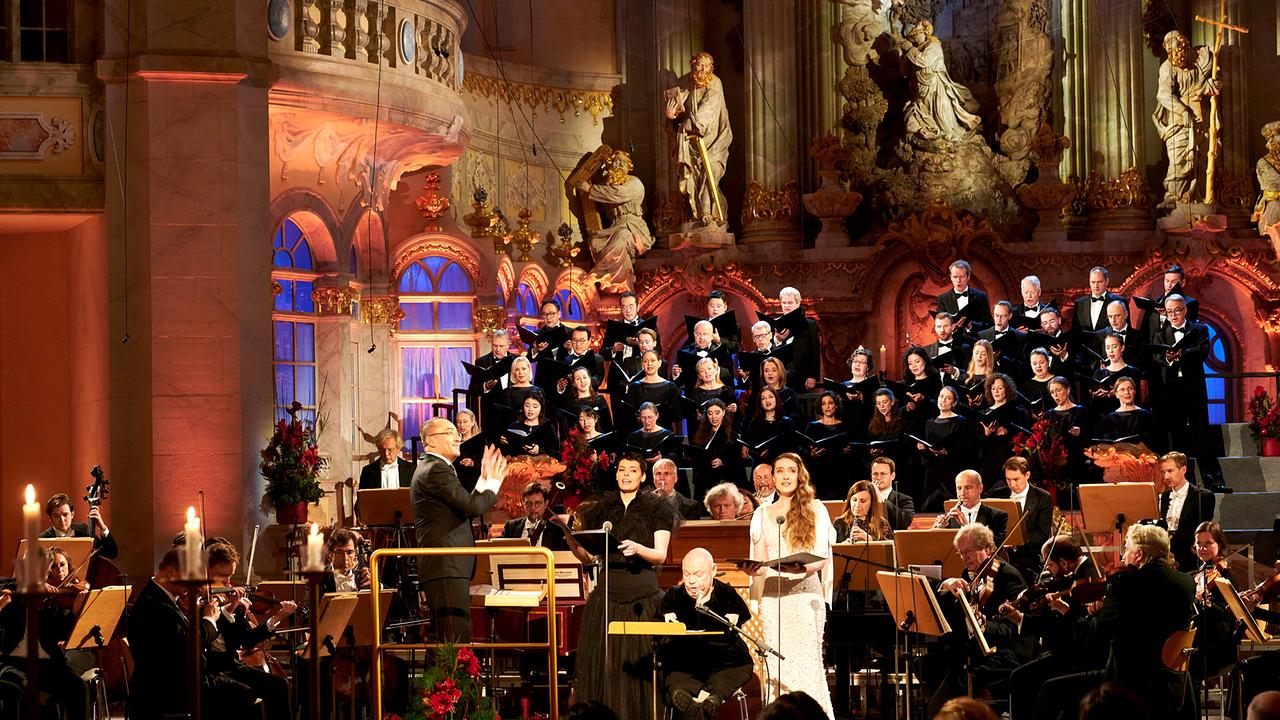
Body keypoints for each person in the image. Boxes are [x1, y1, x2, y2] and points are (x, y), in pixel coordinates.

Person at [572, 455, 675, 720]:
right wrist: (574, 544)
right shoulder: (601, 508)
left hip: (642, 595)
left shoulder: (657, 507)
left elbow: (660, 555)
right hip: (606, 596)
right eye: (621, 470)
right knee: (604, 668)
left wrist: (639, 549)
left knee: (637, 669)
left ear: (642, 476)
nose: (625, 474)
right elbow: (591, 557)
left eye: (632, 470)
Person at [740, 453, 834, 716]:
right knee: (778, 668)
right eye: (779, 471)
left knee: (807, 665)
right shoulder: (761, 514)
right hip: (774, 599)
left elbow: (822, 557)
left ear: (799, 475)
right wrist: (752, 568)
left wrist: (800, 568)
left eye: (790, 471)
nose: (784, 476)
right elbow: (760, 561)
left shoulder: (816, 509)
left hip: (805, 598)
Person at [411, 419, 506, 642]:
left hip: (447, 565)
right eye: (450, 432)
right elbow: (472, 506)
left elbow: (465, 508)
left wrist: (482, 480)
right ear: (431, 441)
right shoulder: (435, 469)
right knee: (453, 639)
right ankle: (453, 678)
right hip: (445, 565)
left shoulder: (436, 468)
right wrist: (493, 483)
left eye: (457, 432)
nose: (458, 437)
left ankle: (450, 678)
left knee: (450, 638)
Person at [925, 523, 1027, 717]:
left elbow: (1013, 628)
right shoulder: (971, 574)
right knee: (928, 664)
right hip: (975, 647)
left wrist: (984, 624)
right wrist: (946, 586)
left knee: (958, 676)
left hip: (1004, 650)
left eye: (968, 552)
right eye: (961, 554)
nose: (964, 558)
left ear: (987, 549)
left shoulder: (1008, 577)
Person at [659, 547, 754, 720]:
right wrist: (666, 618)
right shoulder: (674, 595)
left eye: (698, 574)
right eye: (687, 575)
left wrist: (735, 616)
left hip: (724, 661)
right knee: (673, 678)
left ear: (714, 571)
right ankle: (703, 706)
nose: (691, 581)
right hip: (687, 663)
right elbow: (659, 618)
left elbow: (742, 612)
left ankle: (710, 701)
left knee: (730, 675)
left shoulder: (725, 593)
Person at [202, 541, 294, 719]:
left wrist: (279, 616)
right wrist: (228, 609)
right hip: (211, 670)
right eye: (223, 577)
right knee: (246, 694)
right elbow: (206, 635)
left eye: (231, 577)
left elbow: (247, 640)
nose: (229, 584)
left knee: (280, 685)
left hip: (231, 665)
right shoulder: (197, 601)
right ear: (207, 572)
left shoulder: (231, 602)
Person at [1150, 294, 1226, 490]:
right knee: (1177, 438)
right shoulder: (1160, 333)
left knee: (1202, 437)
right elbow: (1157, 358)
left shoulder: (1199, 329)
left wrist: (1182, 353)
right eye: (1169, 312)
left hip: (1194, 390)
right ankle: (1184, 485)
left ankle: (1214, 482)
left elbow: (1202, 351)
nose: (1174, 315)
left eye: (1177, 310)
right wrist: (1168, 359)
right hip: (1172, 392)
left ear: (1184, 310)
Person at [127, 548, 204, 719]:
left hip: (175, 684)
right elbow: (188, 646)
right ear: (170, 571)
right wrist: (208, 621)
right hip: (164, 692)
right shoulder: (154, 605)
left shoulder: (164, 598)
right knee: (241, 693)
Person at [664, 51, 733, 228]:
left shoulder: (715, 82)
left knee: (710, 171)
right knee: (692, 176)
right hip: (690, 141)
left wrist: (693, 122)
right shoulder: (683, 82)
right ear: (692, 64)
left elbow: (709, 107)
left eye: (706, 66)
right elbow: (677, 107)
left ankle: (709, 213)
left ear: (711, 68)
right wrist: (672, 116)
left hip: (714, 138)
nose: (702, 69)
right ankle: (695, 213)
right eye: (699, 65)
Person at [1152, 30, 1219, 209]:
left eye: (1179, 55)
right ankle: (1174, 197)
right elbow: (1163, 94)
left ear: (1186, 47)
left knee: (1203, 158)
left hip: (1202, 118)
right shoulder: (1167, 68)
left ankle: (1200, 196)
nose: (1177, 60)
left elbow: (1216, 78)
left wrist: (1212, 85)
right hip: (1179, 120)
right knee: (1178, 158)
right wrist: (1183, 111)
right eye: (1171, 56)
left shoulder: (1203, 59)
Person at [578, 149, 654, 292]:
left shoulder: (635, 183)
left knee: (622, 236)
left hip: (633, 228)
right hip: (614, 227)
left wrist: (591, 189)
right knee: (594, 241)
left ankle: (597, 274)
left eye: (622, 162)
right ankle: (611, 280)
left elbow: (618, 194)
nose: (618, 165)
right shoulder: (607, 186)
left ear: (628, 166)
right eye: (614, 162)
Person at [899, 20, 981, 146]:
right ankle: (930, 137)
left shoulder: (933, 46)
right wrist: (905, 55)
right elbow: (904, 72)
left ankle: (952, 137)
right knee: (917, 118)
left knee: (943, 119)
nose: (913, 36)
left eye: (915, 34)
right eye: (911, 35)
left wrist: (910, 50)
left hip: (936, 88)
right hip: (920, 91)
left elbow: (924, 61)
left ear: (923, 33)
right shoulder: (914, 50)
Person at [986, 456, 1053, 579]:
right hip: (999, 554)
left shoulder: (1043, 498)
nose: (1012, 484)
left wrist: (1015, 542)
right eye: (1008, 479)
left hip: (1028, 556)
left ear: (1027, 475)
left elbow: (1041, 535)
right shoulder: (997, 494)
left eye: (1016, 479)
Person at [1158, 451, 1216, 572]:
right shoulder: (1163, 497)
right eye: (1163, 472)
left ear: (1183, 470)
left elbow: (1200, 529)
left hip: (1189, 558)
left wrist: (1171, 539)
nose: (1166, 477)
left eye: (1170, 471)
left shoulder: (1203, 496)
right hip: (1165, 556)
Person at [917, 385, 969, 511]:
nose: (943, 400)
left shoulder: (960, 421)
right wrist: (923, 450)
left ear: (954, 402)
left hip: (950, 470)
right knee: (929, 506)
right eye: (941, 396)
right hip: (933, 470)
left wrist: (947, 452)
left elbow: (963, 448)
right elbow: (927, 446)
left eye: (948, 398)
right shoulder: (929, 422)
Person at [937, 469, 1008, 547]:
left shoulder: (997, 516)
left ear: (980, 488)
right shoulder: (950, 518)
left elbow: (993, 547)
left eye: (968, 487)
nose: (962, 493)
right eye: (959, 488)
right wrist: (937, 530)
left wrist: (966, 527)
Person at [687, 397, 741, 496]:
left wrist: (722, 462)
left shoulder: (731, 435)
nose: (714, 417)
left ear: (723, 412)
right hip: (703, 478)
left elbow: (736, 458)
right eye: (710, 413)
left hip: (722, 479)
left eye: (717, 413)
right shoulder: (700, 433)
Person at [801, 391, 849, 500]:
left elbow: (851, 447)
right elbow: (803, 449)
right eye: (824, 404)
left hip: (840, 474)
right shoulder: (812, 427)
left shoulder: (844, 426)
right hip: (819, 474)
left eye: (830, 403)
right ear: (820, 407)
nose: (827, 406)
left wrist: (849, 451)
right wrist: (811, 454)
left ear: (836, 406)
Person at [40, 493, 118, 559]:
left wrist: (102, 527)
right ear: (50, 518)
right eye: (56, 516)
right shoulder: (42, 539)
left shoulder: (83, 530)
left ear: (72, 514)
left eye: (65, 514)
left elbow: (112, 553)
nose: (62, 519)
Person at [500, 482, 570, 550]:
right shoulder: (510, 527)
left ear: (546, 504)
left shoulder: (557, 531)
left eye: (538, 503)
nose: (533, 507)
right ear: (523, 504)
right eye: (528, 503)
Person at [776, 287, 821, 391]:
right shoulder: (775, 325)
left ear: (798, 304)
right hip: (780, 377)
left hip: (802, 378)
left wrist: (812, 376)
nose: (786, 306)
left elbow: (815, 352)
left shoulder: (810, 325)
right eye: (784, 303)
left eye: (790, 302)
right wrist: (777, 340)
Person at [468, 328, 514, 423]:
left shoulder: (516, 361)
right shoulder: (481, 362)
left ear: (508, 345)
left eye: (501, 346)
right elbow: (472, 388)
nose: (497, 349)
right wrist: (485, 387)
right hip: (490, 414)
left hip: (513, 411)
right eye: (495, 346)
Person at [935, 260, 992, 332]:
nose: (958, 280)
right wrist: (951, 327)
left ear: (968, 277)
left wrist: (971, 325)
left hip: (976, 341)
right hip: (954, 341)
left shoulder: (981, 296)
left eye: (961, 277)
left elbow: (989, 323)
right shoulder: (942, 299)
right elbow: (939, 326)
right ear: (951, 277)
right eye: (955, 277)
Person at [1073, 267, 1128, 335]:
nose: (1096, 286)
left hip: (1108, 344)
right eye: (1093, 282)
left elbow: (1126, 329)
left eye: (1099, 282)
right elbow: (1075, 331)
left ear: (1107, 281)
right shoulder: (1079, 303)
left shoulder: (1119, 301)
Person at [870, 456, 915, 530]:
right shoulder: (864, 498)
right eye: (875, 474)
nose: (878, 477)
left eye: (883, 474)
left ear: (892, 476)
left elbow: (904, 523)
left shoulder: (905, 500)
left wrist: (881, 498)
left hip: (894, 540)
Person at [925, 312, 970, 379]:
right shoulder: (927, 350)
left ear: (952, 327)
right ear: (935, 328)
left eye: (945, 326)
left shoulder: (964, 348)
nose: (942, 330)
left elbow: (971, 373)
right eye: (939, 327)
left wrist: (956, 372)